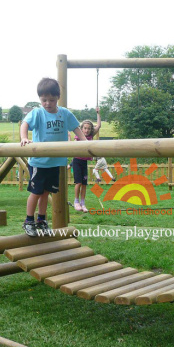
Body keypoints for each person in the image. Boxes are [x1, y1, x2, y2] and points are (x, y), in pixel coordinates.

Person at [20, 77, 86, 235]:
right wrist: (23, 137)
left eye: (51, 100)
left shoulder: (64, 113)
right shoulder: (37, 113)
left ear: (58, 98)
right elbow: (25, 124)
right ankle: (29, 220)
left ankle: (41, 220)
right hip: (39, 162)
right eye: (44, 100)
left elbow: (76, 128)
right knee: (36, 192)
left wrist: (84, 142)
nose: (47, 103)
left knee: (46, 192)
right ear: (39, 99)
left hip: (56, 162)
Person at [72, 107, 101, 212]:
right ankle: (76, 201)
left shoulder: (91, 136)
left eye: (89, 128)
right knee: (78, 183)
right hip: (77, 161)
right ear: (81, 129)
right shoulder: (78, 136)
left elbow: (99, 126)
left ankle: (83, 203)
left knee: (84, 184)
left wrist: (98, 113)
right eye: (85, 128)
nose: (87, 130)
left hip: (84, 162)